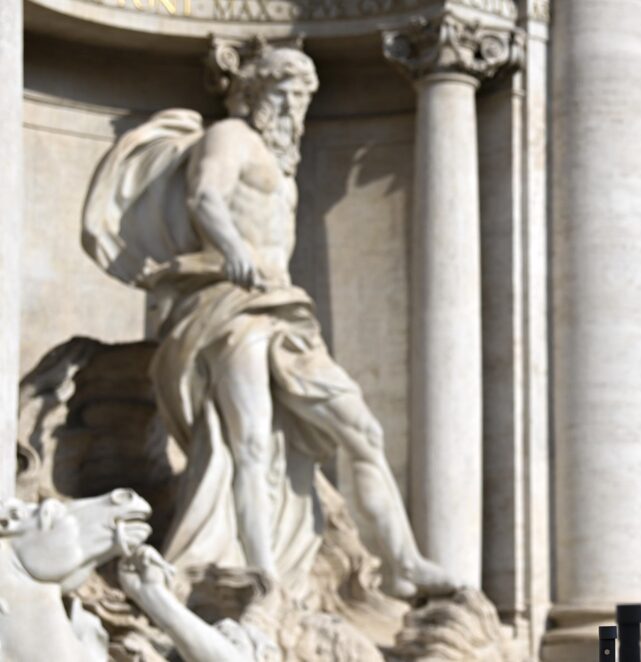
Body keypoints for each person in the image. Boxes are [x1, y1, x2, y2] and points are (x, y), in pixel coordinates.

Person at [82, 43, 453, 597]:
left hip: (282, 311)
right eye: (284, 95)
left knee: (362, 430)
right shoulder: (230, 137)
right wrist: (231, 247)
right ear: (253, 94)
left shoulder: (283, 164)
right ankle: (263, 573)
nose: (293, 110)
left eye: (302, 99)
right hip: (229, 305)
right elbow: (204, 194)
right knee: (249, 442)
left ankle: (401, 563)